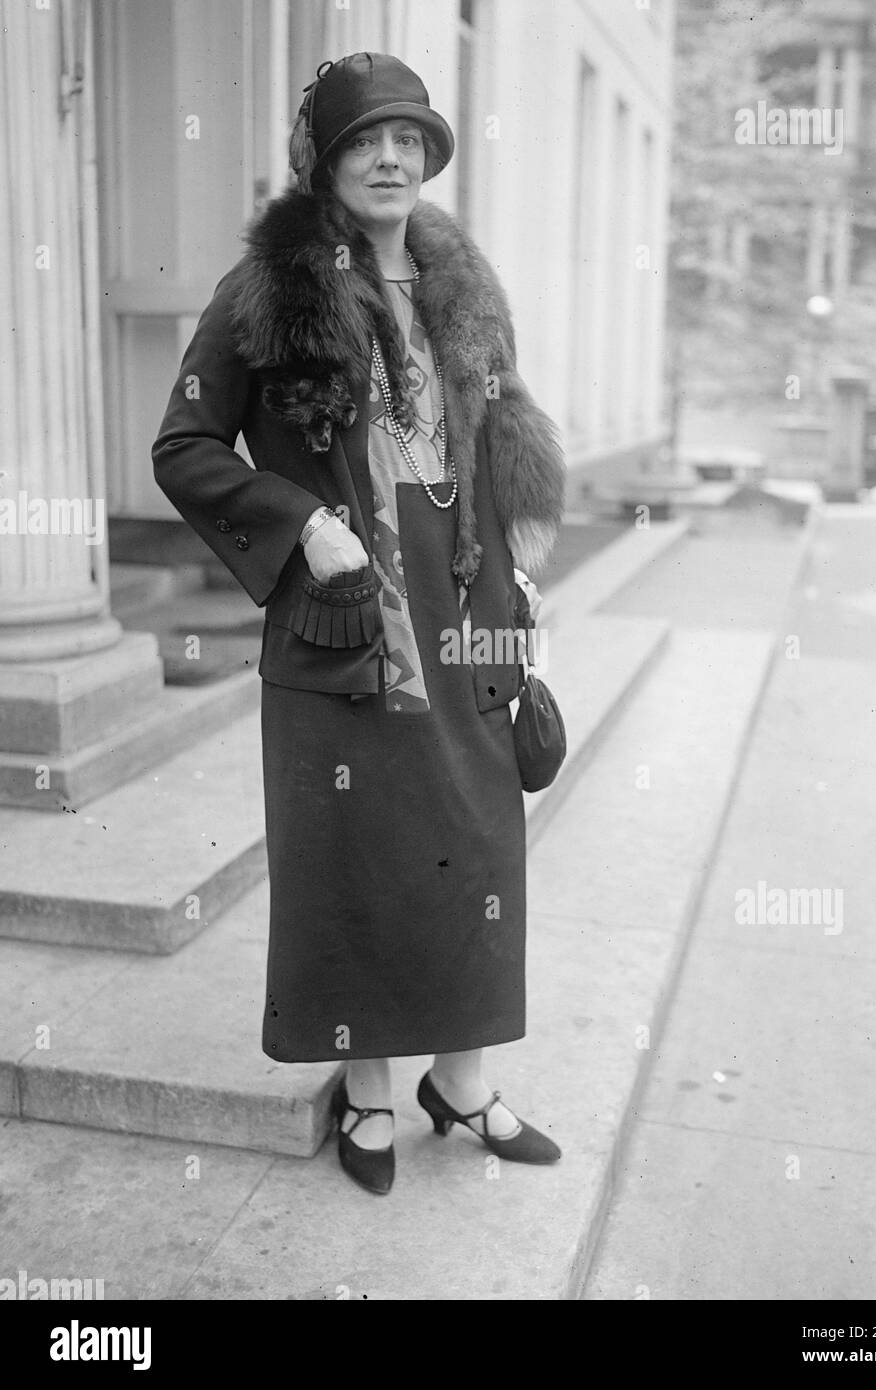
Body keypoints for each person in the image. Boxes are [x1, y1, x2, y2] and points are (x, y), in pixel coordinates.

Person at [152, 52, 566, 1195]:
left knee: (479, 846)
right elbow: (183, 448)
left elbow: (498, 442)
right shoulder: (264, 296)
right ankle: (371, 1094)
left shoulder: (465, 292)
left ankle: (463, 1083)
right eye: (362, 141)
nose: (390, 158)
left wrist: (520, 571)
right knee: (358, 856)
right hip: (346, 618)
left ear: (427, 157)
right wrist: (300, 525)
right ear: (324, 163)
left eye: (407, 139)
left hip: (469, 608)